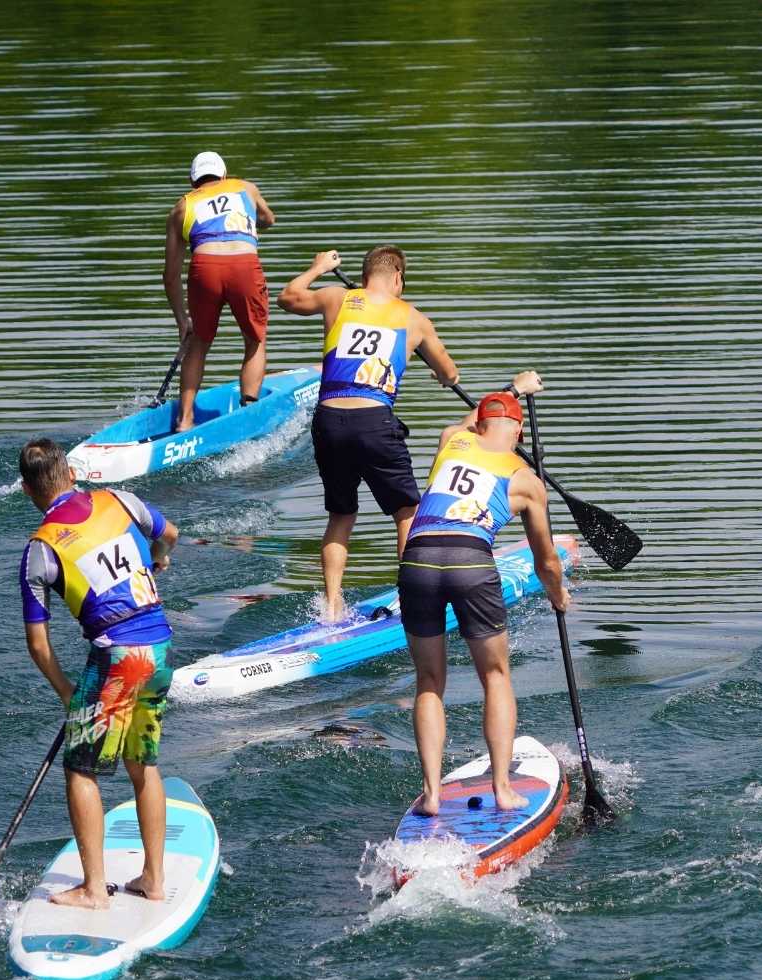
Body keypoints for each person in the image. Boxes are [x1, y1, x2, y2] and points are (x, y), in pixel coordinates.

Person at [18, 438, 180, 909]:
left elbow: (37, 643)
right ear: (70, 474)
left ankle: (94, 890)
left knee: (80, 769)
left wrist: (68, 691)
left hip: (117, 659)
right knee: (143, 763)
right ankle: (153, 878)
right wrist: (159, 557)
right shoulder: (120, 500)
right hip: (161, 646)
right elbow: (169, 532)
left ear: (29, 491)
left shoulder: (40, 551)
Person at [399, 374, 570, 815]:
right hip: (470, 560)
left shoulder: (451, 440)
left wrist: (513, 389)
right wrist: (558, 595)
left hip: (417, 559)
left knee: (429, 681)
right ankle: (501, 788)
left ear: (479, 425)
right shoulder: (526, 480)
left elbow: (475, 417)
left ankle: (432, 795)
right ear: (517, 431)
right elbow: (545, 560)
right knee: (495, 677)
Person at [277, 245, 460, 621]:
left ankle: (330, 607)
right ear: (397, 279)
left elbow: (287, 298)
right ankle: (415, 596)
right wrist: (438, 372)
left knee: (340, 515)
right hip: (374, 421)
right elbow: (450, 373)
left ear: (363, 278)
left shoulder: (336, 298)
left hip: (328, 421)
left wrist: (317, 268)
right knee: (407, 512)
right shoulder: (413, 319)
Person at [164, 151, 276, 432]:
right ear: (225, 175)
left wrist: (182, 320)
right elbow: (269, 219)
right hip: (244, 266)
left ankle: (185, 419)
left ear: (193, 182)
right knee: (255, 338)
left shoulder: (181, 207)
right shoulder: (246, 188)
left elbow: (170, 276)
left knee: (199, 343)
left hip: (204, 268)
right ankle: (249, 411)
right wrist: (251, 221)